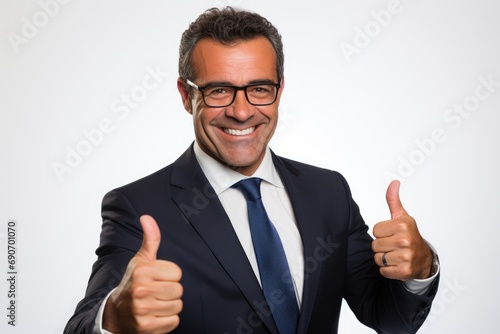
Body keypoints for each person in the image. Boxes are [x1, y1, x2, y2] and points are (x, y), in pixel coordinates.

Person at [64, 7, 440, 334]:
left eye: (259, 89)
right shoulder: (137, 206)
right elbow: (82, 323)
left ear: (280, 89)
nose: (242, 112)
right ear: (186, 95)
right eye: (219, 91)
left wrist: (421, 269)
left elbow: (390, 319)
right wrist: (114, 316)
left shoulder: (329, 193)